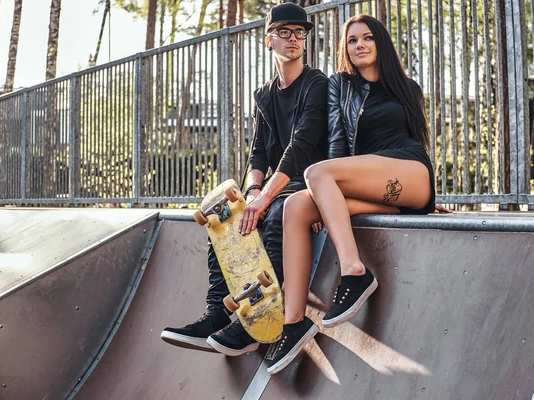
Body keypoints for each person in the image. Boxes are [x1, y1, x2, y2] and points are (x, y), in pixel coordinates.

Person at [264, 14, 445, 374]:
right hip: (371, 181)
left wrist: (421, 195)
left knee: (316, 174)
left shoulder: (407, 88)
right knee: (297, 206)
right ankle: (293, 321)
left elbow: (418, 141)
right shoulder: (339, 86)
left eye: (367, 38)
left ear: (380, 44)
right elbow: (337, 144)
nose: (359, 45)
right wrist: (323, 198)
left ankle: (354, 271)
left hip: (409, 171)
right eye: (351, 40)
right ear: (344, 49)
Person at [161, 3, 328, 356]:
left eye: (299, 32)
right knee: (223, 218)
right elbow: (258, 153)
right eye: (283, 32)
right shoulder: (264, 95)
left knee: (274, 219)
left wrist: (264, 198)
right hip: (274, 187)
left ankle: (258, 321)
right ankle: (217, 313)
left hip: (310, 184)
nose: (293, 39)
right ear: (269, 41)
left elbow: (301, 145)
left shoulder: (316, 84)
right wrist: (252, 191)